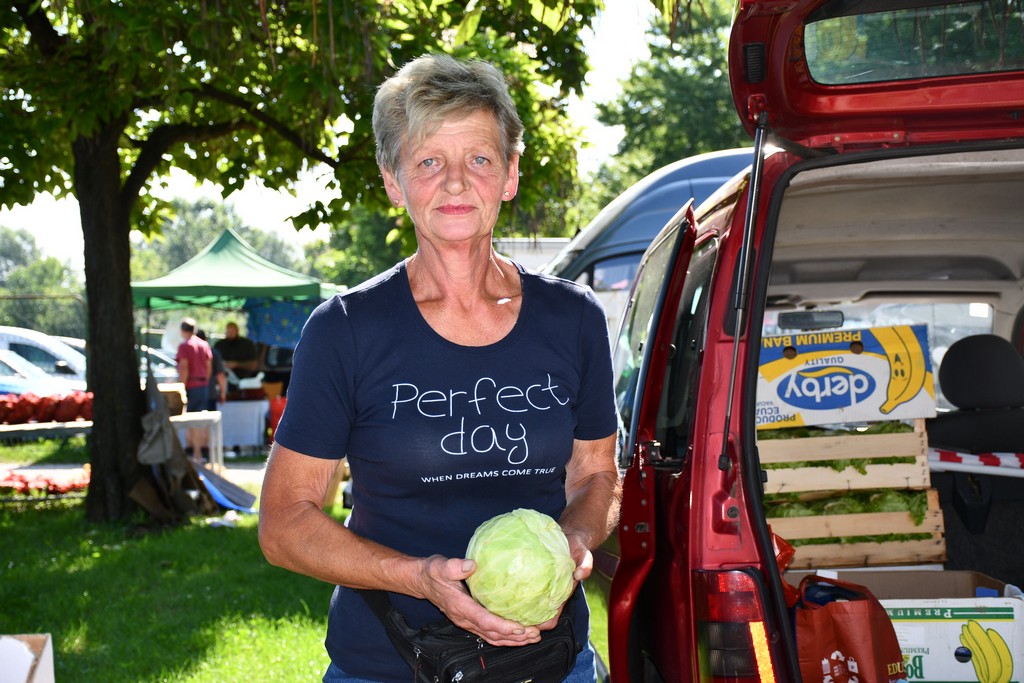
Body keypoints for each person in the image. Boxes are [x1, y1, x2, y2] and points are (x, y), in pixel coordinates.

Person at [259, 54, 620, 683]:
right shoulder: (347, 330)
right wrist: (420, 579)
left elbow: (596, 475)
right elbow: (284, 523)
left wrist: (576, 542)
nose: (456, 183)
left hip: (550, 660)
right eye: (428, 162)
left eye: (479, 159)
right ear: (395, 182)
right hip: (389, 663)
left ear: (510, 174)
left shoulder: (573, 319)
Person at [176, 317, 213, 459]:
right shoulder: (204, 344)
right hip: (203, 385)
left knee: (191, 420)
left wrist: (182, 386)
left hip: (191, 386)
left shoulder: (185, 346)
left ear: (182, 331)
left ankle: (196, 453)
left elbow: (184, 367)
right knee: (201, 419)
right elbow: (209, 367)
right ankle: (201, 451)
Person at [196, 329, 227, 410]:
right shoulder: (213, 353)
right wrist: (222, 392)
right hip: (209, 392)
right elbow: (220, 375)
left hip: (193, 392)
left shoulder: (187, 351)